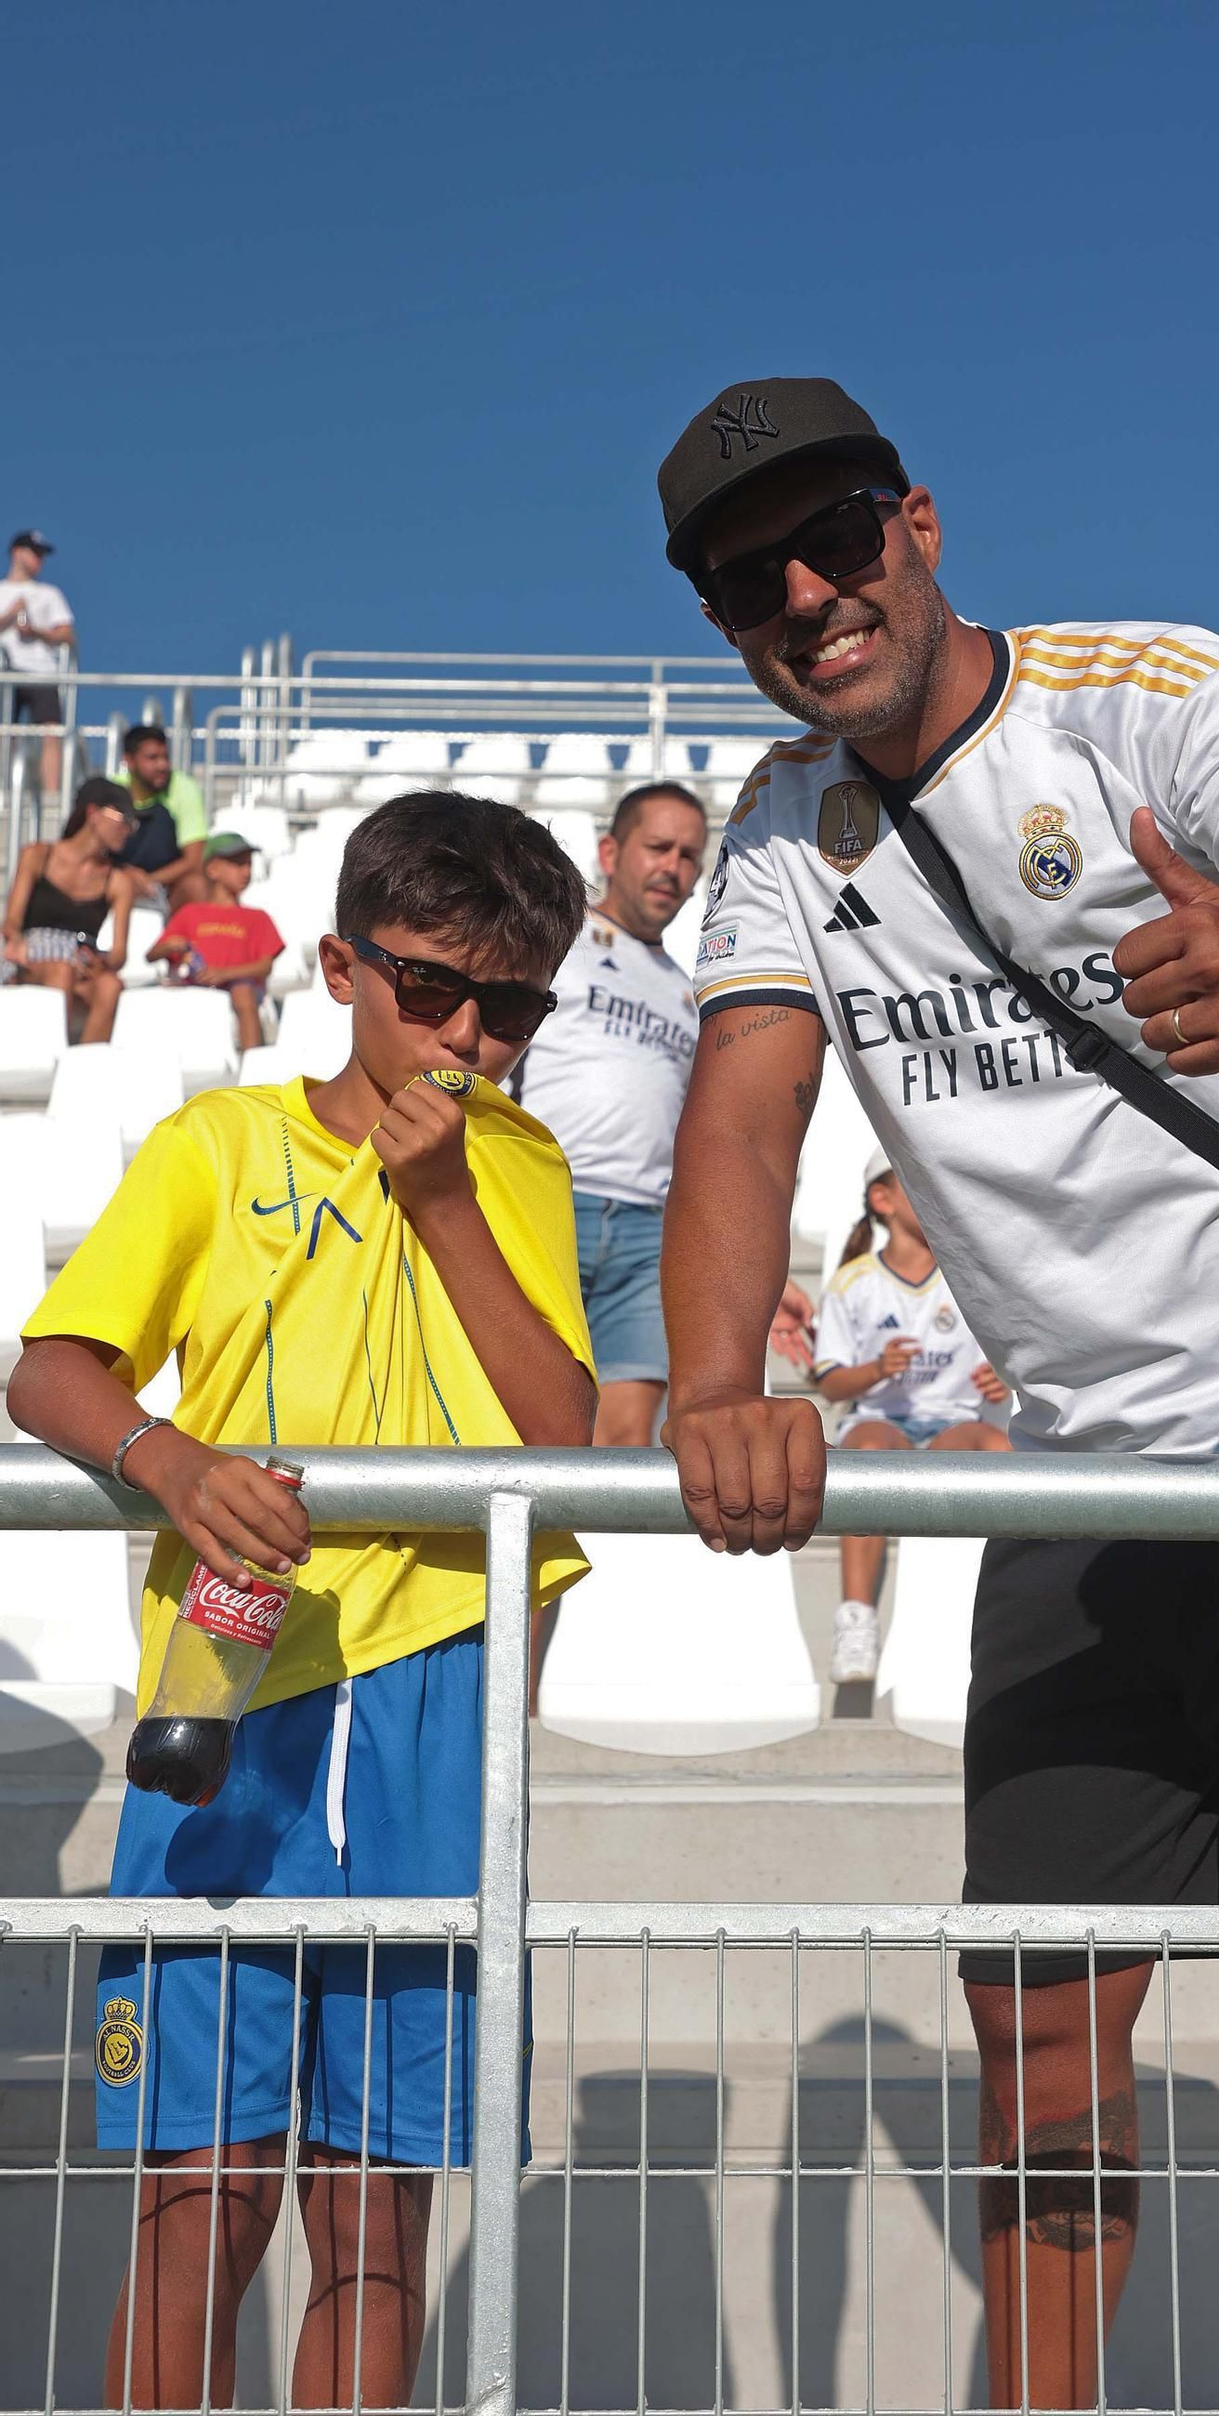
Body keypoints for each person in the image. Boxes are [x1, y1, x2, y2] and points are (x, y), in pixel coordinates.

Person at [652, 375, 1219, 2413]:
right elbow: (742, 1113)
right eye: (745, 577)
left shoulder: (1141, 692)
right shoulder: (784, 830)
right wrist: (720, 1375)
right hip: (1080, 1476)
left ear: (922, 522)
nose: (803, 594)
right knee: (1038, 2021)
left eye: (833, 532)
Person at [6, 788, 597, 2412]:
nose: (473, 1035)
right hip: (236, 1675)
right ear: (340, 965)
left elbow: (562, 1431)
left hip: (439, 1689)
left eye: (516, 1003)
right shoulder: (222, 1146)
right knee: (207, 2199)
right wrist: (175, 1464)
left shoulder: (521, 1165)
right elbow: (51, 1368)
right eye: (435, 990)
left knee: (377, 2210)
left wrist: (448, 1201)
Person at [515, 781, 706, 1445]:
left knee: (623, 1440)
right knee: (529, 1424)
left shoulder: (692, 990)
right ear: (610, 850)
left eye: (689, 857)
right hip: (546, 1203)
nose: (672, 869)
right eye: (658, 847)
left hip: (649, 1231)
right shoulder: (552, 945)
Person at [812, 1147, 1009, 1681]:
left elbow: (1016, 1354)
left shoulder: (972, 1271)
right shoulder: (854, 1281)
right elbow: (830, 1382)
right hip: (883, 1423)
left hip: (954, 1423)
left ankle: (1030, 1595)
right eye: (919, 1181)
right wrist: (878, 1368)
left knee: (1000, 1448)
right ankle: (856, 1618)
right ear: (883, 1199)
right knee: (866, 1455)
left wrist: (1003, 1375)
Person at [1, 774, 137, 1042]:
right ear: (94, 813)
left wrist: (103, 961)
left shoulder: (119, 881)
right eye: (124, 819)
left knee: (110, 985)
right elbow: (12, 920)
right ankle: (50, 1056)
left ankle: (83, 1070)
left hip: (81, 962)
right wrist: (15, 942)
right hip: (32, 956)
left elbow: (120, 953)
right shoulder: (38, 855)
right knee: (61, 971)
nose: (129, 830)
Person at [146, 830, 287, 1052]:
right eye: (237, 864)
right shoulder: (190, 913)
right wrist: (169, 946)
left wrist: (223, 973)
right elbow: (151, 955)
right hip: (194, 986)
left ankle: (254, 1071)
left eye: (248, 864)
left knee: (242, 990)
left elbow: (265, 966)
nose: (246, 871)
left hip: (241, 988)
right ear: (212, 870)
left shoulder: (257, 917)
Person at [0, 528, 75, 804]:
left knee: (50, 730)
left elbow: (66, 633)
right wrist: (10, 615)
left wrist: (36, 631)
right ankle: (5, 789)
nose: (39, 560)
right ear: (17, 552)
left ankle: (52, 794)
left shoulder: (48, 593)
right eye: (35, 552)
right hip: (4, 674)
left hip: (41, 670)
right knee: (5, 731)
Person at [113, 723, 210, 908]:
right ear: (129, 761)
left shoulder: (184, 788)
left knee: (198, 886)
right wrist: (124, 878)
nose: (162, 765)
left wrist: (147, 881)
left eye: (165, 757)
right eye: (152, 758)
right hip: (116, 880)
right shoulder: (111, 791)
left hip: (167, 888)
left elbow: (195, 860)